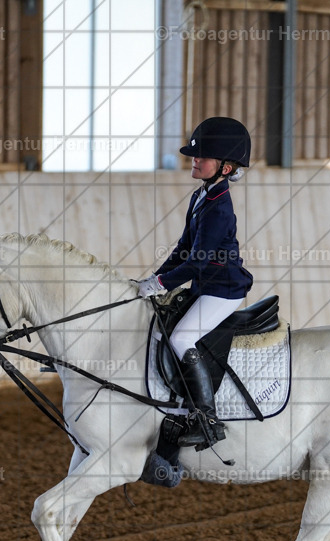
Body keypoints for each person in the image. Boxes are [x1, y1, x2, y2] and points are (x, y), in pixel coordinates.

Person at [135, 116, 253, 450]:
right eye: (195, 155)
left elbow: (198, 260)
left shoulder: (220, 209)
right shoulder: (201, 197)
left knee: (182, 337)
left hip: (223, 291)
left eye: (202, 157)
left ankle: (207, 420)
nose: (195, 159)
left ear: (226, 168)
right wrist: (155, 278)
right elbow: (183, 250)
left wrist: (161, 284)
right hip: (203, 286)